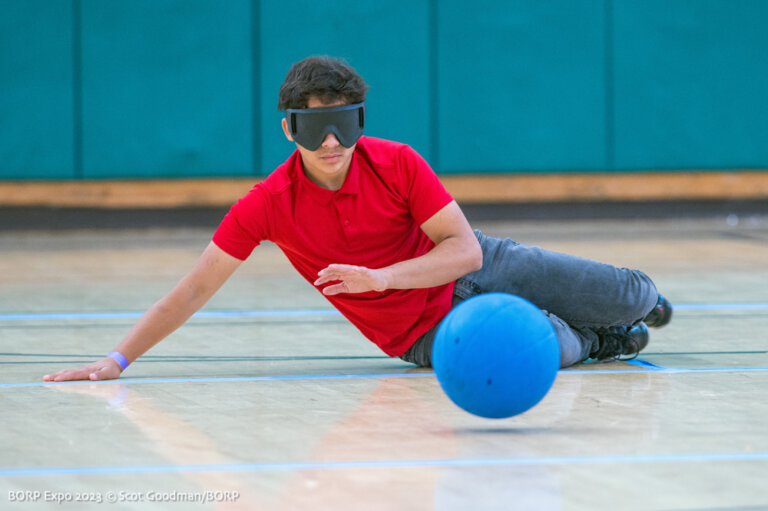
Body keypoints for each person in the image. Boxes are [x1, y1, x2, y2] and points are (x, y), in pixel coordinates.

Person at [43, 55, 672, 383]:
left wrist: (384, 278)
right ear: (290, 129)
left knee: (627, 294)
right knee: (540, 348)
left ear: (359, 121)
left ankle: (635, 307)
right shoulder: (267, 205)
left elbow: (466, 254)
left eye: (342, 124)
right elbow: (195, 288)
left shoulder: (395, 161)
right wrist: (116, 361)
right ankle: (598, 342)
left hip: (479, 266)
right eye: (315, 128)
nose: (330, 143)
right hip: (423, 332)